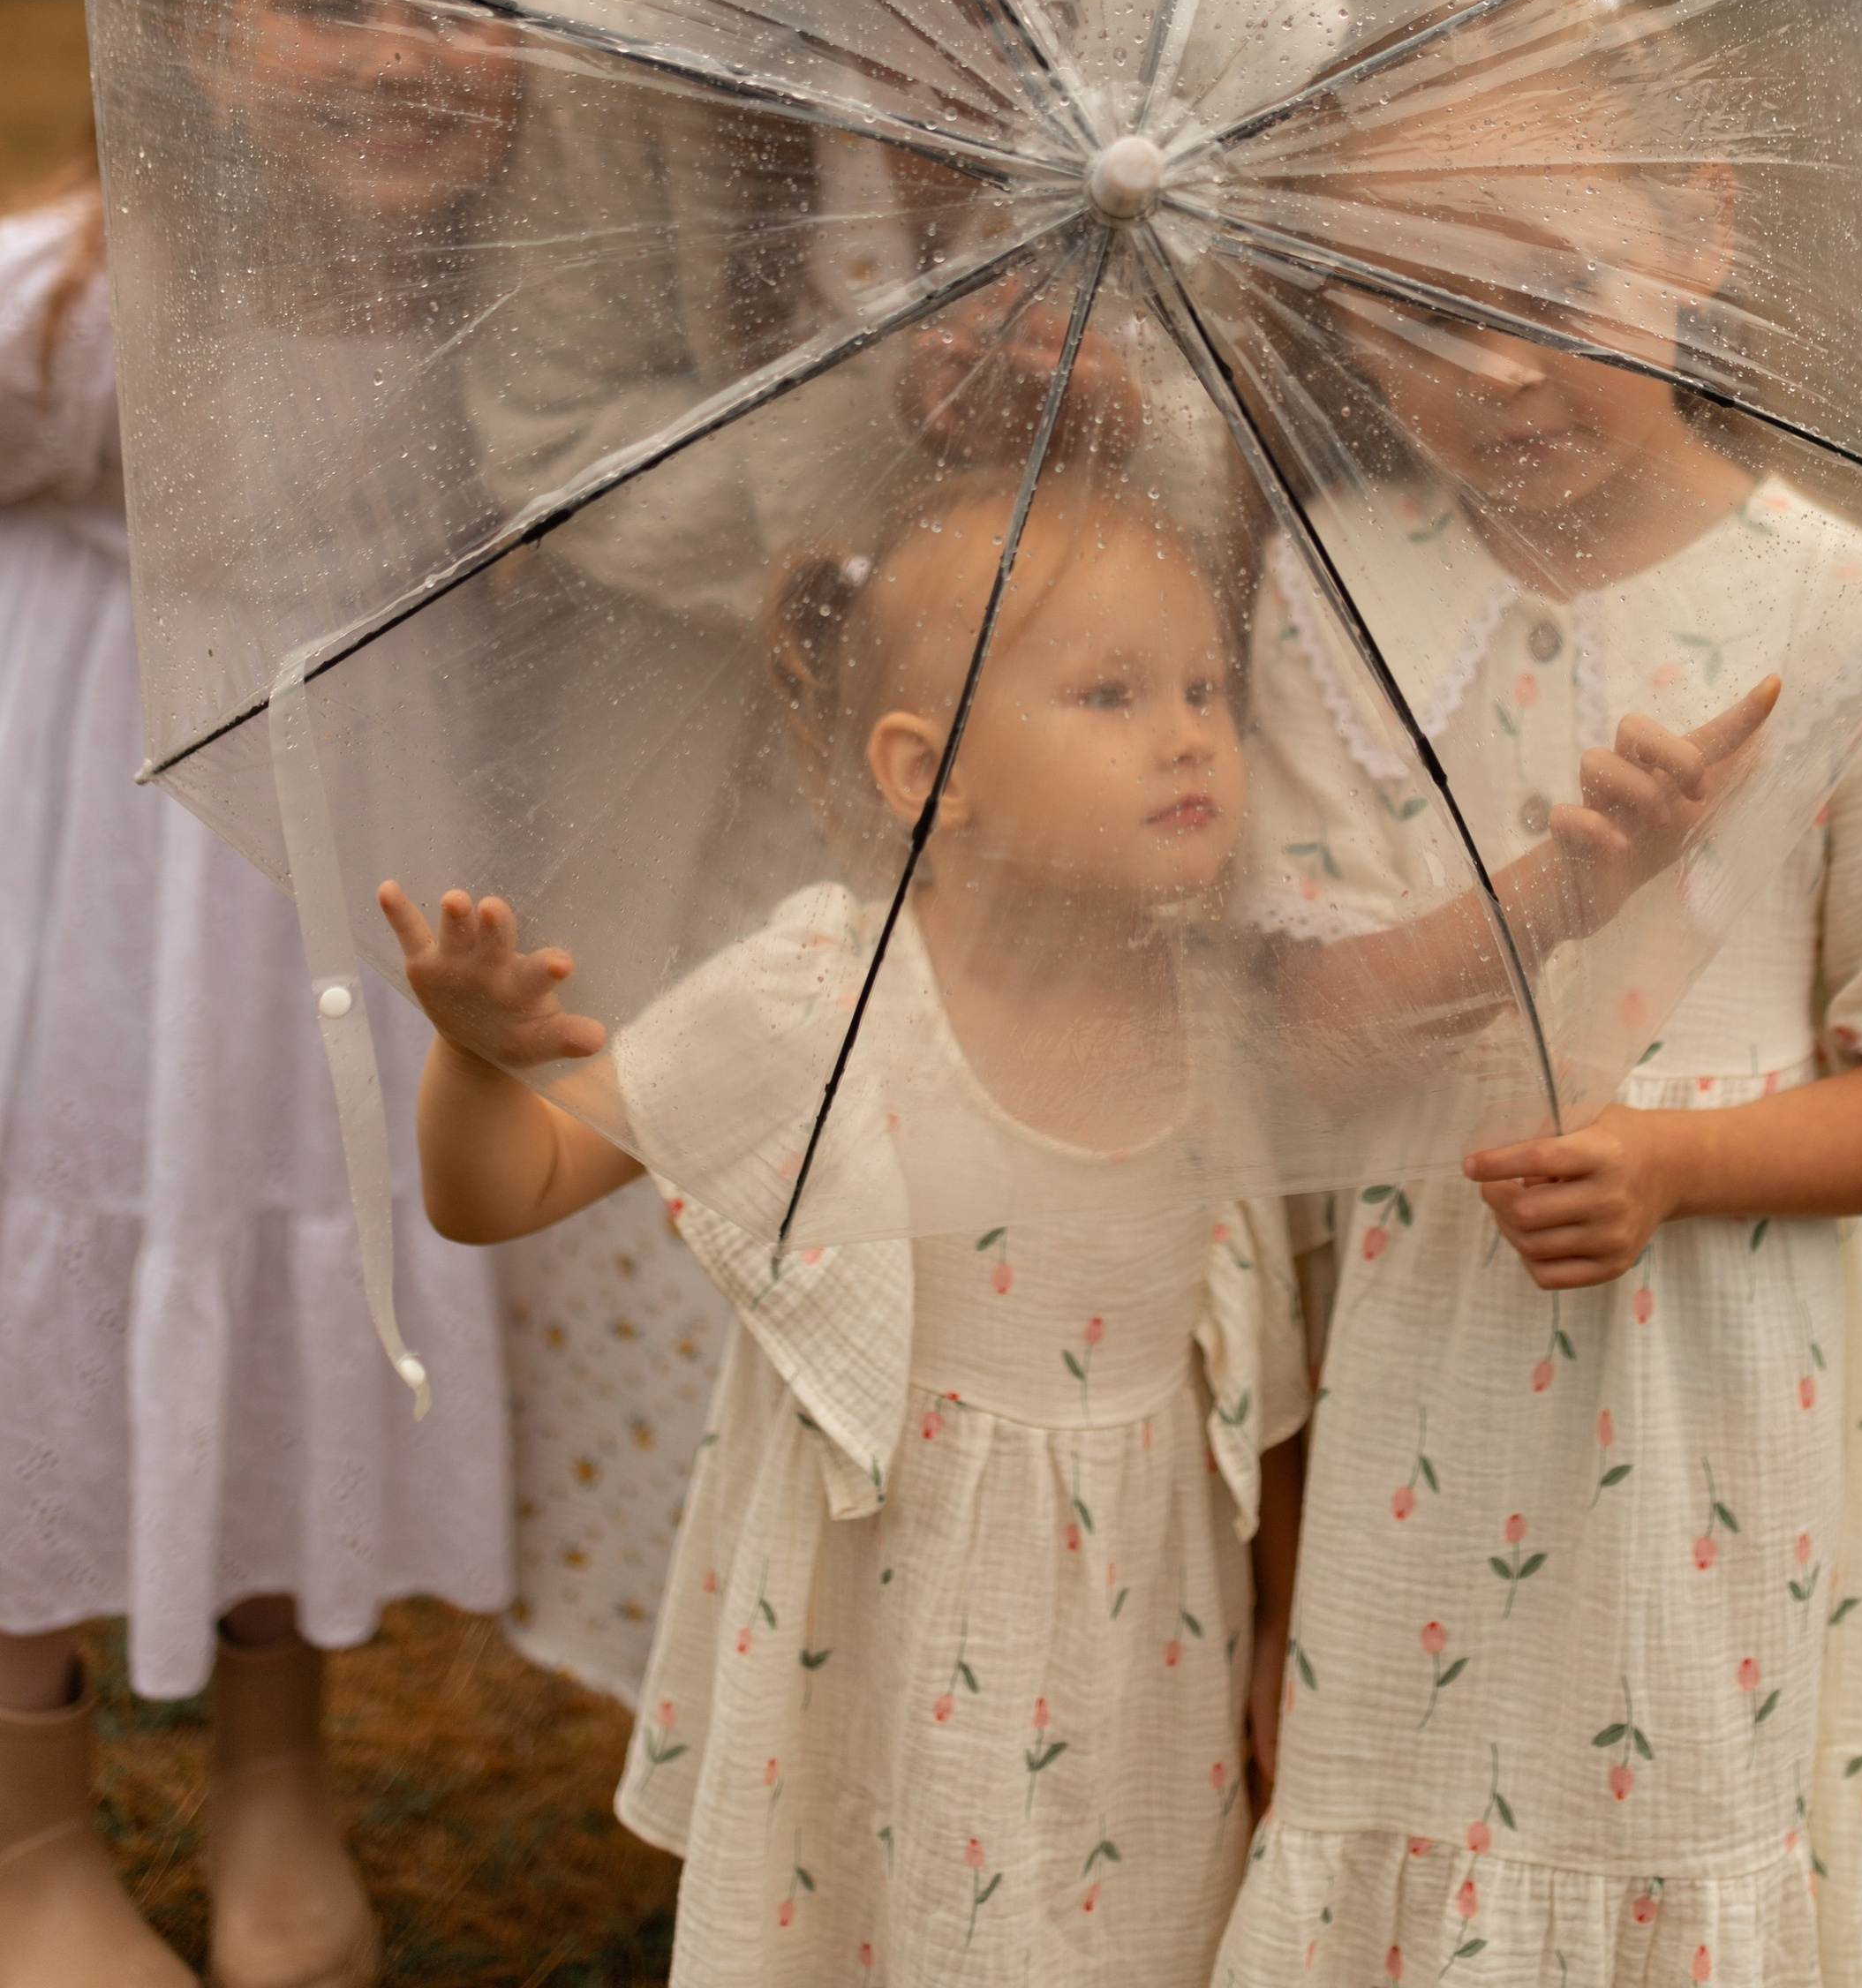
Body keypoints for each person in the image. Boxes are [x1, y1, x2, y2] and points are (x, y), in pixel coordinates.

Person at [1210, 63, 1862, 1988]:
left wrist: (1672, 1161)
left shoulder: (1841, 617)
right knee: (1411, 1799)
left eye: (1547, 294)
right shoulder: (1329, 593)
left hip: (1703, 1403)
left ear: (1695, 234)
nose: (1486, 370)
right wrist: (1552, 898)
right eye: (1408, 304)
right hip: (1407, 1381)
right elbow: (1305, 1045)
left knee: (1666, 1796)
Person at [378, 466, 1308, 1988]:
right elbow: (504, 1192)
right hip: (891, 1633)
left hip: (1143, 1648)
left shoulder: (1212, 1021)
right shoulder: (827, 998)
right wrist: (473, 1058)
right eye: (1112, 692)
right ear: (924, 772)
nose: (1192, 728)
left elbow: (1260, 1379)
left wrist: (1277, 1639)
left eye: (1210, 683)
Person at [0, 158, 514, 1988]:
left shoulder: (505, 293)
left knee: (320, 1258)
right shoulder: (71, 290)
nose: (389, 52)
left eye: (433, 11)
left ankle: (273, 1782)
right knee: (54, 1292)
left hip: (330, 873)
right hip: (91, 870)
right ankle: (30, 1838)